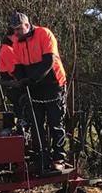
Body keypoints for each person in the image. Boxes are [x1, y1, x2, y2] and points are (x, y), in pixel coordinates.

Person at [9, 11, 68, 172]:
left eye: (19, 28)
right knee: (36, 124)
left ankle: (59, 158)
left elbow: (49, 61)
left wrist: (32, 79)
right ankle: (41, 158)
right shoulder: (16, 42)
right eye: (14, 30)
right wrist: (21, 80)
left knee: (55, 123)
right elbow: (17, 65)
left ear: (27, 25)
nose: (17, 32)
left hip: (53, 83)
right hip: (33, 86)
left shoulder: (44, 34)